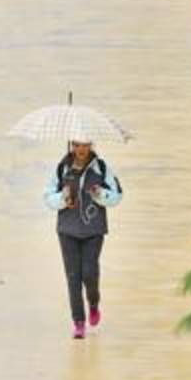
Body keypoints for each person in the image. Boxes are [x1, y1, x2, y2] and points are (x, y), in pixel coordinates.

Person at [43, 139, 123, 339]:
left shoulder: (102, 168)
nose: (81, 149)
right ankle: (78, 322)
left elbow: (118, 196)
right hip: (67, 230)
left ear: (92, 145)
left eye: (85, 145)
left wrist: (100, 194)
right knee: (73, 277)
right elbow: (47, 197)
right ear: (72, 146)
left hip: (94, 230)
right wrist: (63, 198)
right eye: (77, 145)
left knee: (89, 272)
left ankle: (94, 303)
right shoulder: (62, 168)